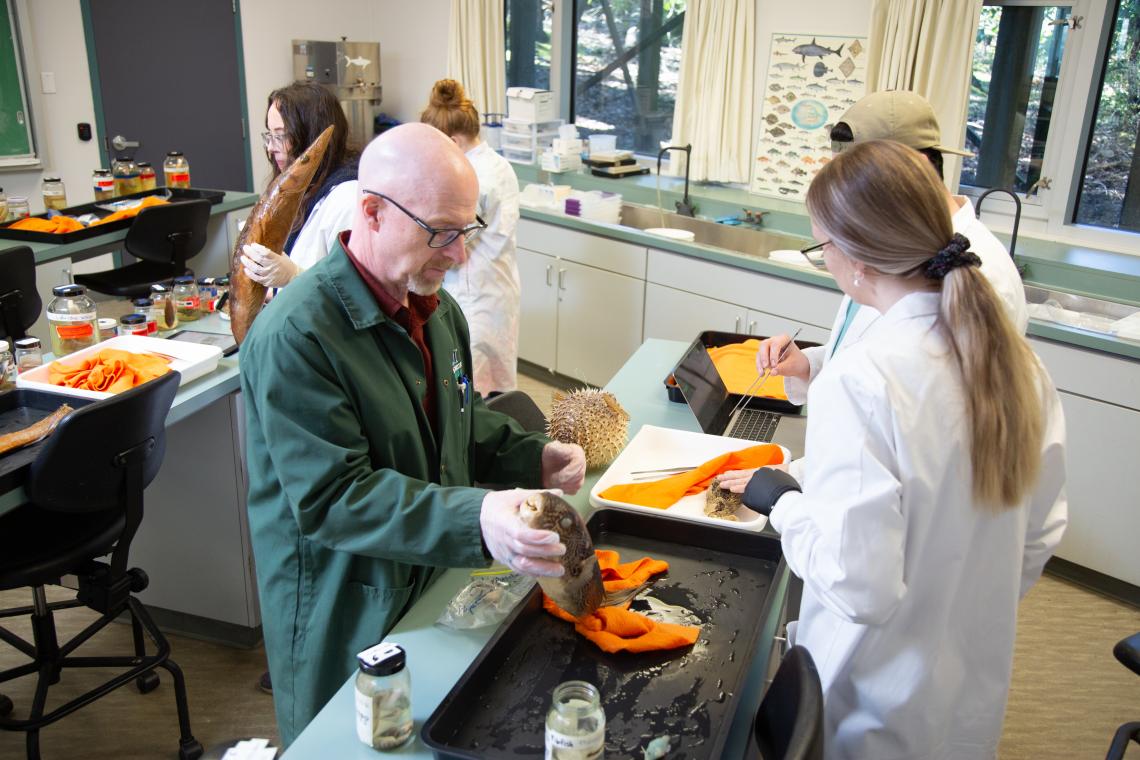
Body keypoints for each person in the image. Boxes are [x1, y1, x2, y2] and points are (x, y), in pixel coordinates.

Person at [239, 123, 586, 745]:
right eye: (441, 234)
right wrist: (478, 517)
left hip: (428, 579)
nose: (457, 255)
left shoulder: (435, 309)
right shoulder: (298, 336)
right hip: (343, 602)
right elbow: (335, 498)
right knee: (349, 742)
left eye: (465, 232)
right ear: (371, 211)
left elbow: (456, 418)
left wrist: (533, 457)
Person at [727, 141, 1067, 757]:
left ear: (858, 258)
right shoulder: (1017, 363)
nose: (824, 261)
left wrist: (782, 505)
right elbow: (1041, 531)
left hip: (874, 703)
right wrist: (963, 599)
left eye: (821, 246)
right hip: (968, 681)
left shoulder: (861, 382)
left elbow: (860, 587)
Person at [420, 79, 521, 395]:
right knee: (495, 384)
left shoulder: (472, 177)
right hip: (495, 291)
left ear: (451, 140)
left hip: (475, 296)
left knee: (470, 391)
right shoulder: (497, 164)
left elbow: (446, 241)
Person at [240, 81, 360, 288]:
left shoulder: (348, 197)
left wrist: (293, 277)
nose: (270, 147)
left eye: (280, 135)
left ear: (311, 134)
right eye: (269, 135)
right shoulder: (305, 189)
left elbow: (355, 292)